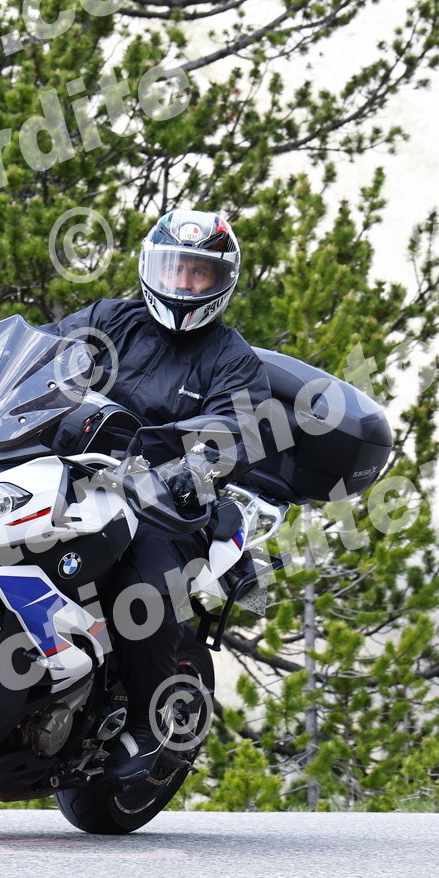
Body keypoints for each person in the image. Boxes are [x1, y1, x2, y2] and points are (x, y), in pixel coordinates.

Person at [45, 209, 271, 784]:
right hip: (75, 472)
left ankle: (150, 730)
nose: (185, 285)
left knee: (143, 587)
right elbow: (40, 353)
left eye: (199, 273)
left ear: (221, 280)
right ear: (152, 267)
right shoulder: (108, 320)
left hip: (166, 503)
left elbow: (238, 429)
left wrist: (199, 463)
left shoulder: (232, 359)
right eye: (176, 269)